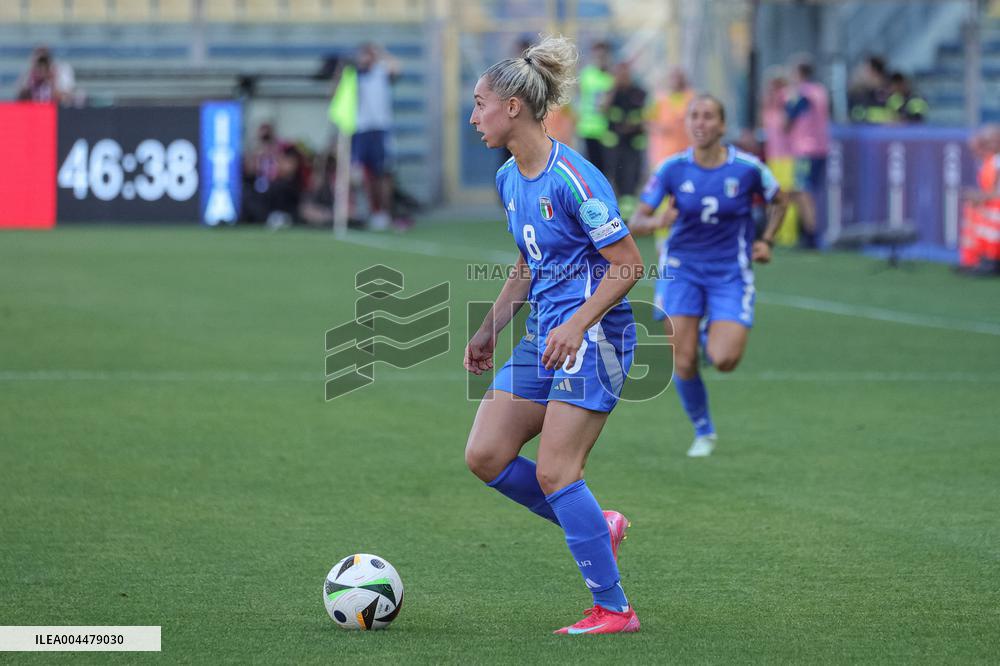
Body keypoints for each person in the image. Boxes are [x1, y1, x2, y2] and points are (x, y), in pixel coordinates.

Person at [465, 35, 644, 635]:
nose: (474, 117)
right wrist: (490, 328)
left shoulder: (576, 178)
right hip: (547, 333)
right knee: (485, 454)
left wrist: (576, 321)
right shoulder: (511, 179)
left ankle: (615, 610)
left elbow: (628, 265)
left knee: (555, 471)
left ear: (513, 106)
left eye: (480, 103)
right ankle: (599, 523)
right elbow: (527, 263)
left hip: (595, 336)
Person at [629, 95, 788, 457]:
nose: (700, 123)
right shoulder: (671, 169)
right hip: (681, 270)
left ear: (721, 125)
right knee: (682, 360)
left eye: (708, 117)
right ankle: (703, 429)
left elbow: (780, 200)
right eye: (694, 117)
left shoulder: (747, 168)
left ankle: (704, 332)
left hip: (729, 271)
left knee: (725, 360)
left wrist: (766, 241)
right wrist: (657, 221)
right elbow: (635, 222)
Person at [352, 42, 400, 231]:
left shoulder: (381, 72)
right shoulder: (354, 76)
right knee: (365, 174)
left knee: (383, 173)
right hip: (361, 129)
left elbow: (396, 68)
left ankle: (384, 213)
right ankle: (371, 210)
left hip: (381, 128)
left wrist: (381, 53)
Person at [785, 59, 829, 249]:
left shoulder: (802, 93)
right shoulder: (820, 91)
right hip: (821, 146)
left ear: (799, 73)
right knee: (808, 191)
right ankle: (807, 231)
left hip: (805, 148)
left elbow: (789, 119)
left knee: (803, 191)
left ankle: (810, 235)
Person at [604, 62, 647, 216]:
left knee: (632, 179)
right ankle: (619, 211)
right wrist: (614, 89)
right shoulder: (612, 92)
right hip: (615, 145)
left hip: (633, 144)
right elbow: (603, 108)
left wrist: (630, 126)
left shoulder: (639, 92)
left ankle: (630, 214)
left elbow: (644, 116)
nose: (622, 76)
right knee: (616, 178)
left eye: (625, 73)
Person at [576, 41, 614, 173]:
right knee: (590, 167)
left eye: (603, 55)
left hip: (606, 130)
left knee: (606, 168)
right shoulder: (586, 75)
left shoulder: (611, 76)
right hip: (588, 127)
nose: (601, 58)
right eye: (598, 55)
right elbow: (579, 95)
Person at [646, 66, 693, 169]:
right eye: (673, 78)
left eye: (679, 78)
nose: (676, 81)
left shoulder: (692, 97)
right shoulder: (660, 99)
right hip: (665, 153)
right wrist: (659, 129)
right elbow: (648, 122)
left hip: (687, 150)